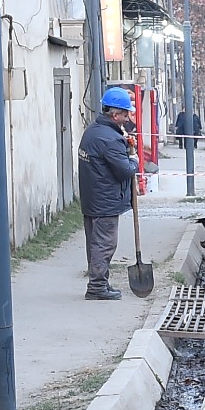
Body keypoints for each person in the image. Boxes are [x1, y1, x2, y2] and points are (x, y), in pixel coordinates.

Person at [78, 88, 138, 301]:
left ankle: (99, 281)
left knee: (94, 243)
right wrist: (134, 161)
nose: (127, 118)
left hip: (92, 199)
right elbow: (125, 171)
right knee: (104, 243)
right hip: (105, 201)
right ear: (115, 114)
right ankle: (97, 287)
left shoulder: (93, 131)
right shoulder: (110, 139)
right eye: (125, 114)